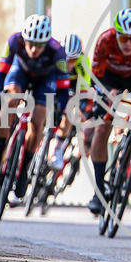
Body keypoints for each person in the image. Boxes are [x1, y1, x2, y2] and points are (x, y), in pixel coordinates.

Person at [0, 14, 71, 206]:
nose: (33, 49)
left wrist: (61, 110)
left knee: (38, 118)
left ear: (47, 42)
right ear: (24, 39)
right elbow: (0, 75)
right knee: (10, 100)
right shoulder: (14, 41)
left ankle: (23, 170)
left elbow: (64, 89)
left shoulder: (57, 53)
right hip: (20, 72)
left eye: (39, 45)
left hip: (44, 80)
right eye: (30, 43)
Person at [86, 8, 131, 214]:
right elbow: (95, 76)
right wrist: (110, 93)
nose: (128, 43)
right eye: (124, 38)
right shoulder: (105, 40)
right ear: (116, 34)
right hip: (109, 78)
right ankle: (99, 190)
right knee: (102, 126)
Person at [49, 32, 93, 172]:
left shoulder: (83, 62)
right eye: (66, 60)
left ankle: (58, 148)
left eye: (73, 60)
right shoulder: (52, 56)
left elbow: (84, 90)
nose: (69, 64)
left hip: (72, 87)